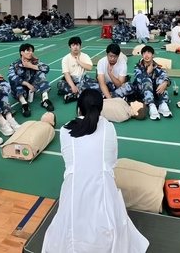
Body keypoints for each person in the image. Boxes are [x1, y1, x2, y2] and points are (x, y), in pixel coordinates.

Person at [41, 89, 149, 253]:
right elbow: (112, 163)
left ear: (79, 108)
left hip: (72, 194)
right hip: (104, 195)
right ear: (100, 108)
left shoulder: (64, 130)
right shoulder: (109, 128)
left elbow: (69, 163)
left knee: (67, 228)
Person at [7, 43, 54, 118]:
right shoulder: (15, 65)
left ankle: (45, 99)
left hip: (32, 88)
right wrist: (27, 84)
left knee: (41, 73)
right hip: (21, 89)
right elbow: (10, 76)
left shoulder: (35, 61)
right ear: (22, 52)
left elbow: (47, 68)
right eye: (28, 51)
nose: (31, 53)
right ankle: (24, 104)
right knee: (15, 81)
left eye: (32, 51)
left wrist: (31, 66)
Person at [133, 45, 172, 120]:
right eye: (144, 53)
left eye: (149, 53)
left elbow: (166, 77)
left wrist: (165, 83)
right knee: (146, 79)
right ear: (142, 55)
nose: (146, 55)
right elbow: (138, 80)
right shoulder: (138, 66)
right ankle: (151, 105)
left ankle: (163, 104)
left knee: (162, 80)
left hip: (153, 93)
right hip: (140, 93)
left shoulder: (156, 66)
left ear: (153, 55)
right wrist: (147, 72)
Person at [58, 36, 94, 104]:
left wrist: (79, 61)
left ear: (80, 46)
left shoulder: (85, 56)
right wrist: (73, 86)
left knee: (96, 86)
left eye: (77, 45)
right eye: (73, 45)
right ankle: (79, 93)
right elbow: (66, 74)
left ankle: (73, 95)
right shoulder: (65, 59)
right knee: (61, 85)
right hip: (71, 80)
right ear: (70, 47)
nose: (75, 47)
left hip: (82, 79)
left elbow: (90, 68)